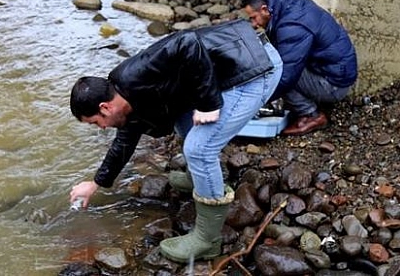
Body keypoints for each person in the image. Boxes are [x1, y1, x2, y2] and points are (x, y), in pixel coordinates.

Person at [69, 19, 282, 263]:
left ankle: (207, 240)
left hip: (254, 67)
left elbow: (188, 41)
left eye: (96, 122)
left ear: (104, 108)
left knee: (199, 149)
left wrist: (209, 104)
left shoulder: (136, 74)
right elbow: (125, 140)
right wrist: (96, 183)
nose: (102, 128)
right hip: (230, 66)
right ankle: (198, 179)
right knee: (184, 123)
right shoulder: (123, 100)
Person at [241, 0, 358, 136]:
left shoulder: (292, 25)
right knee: (275, 65)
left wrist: (255, 102)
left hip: (334, 84)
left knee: (276, 74)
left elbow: (286, 76)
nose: (253, 24)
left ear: (264, 9)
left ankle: (311, 115)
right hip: (332, 70)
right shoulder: (288, 4)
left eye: (253, 17)